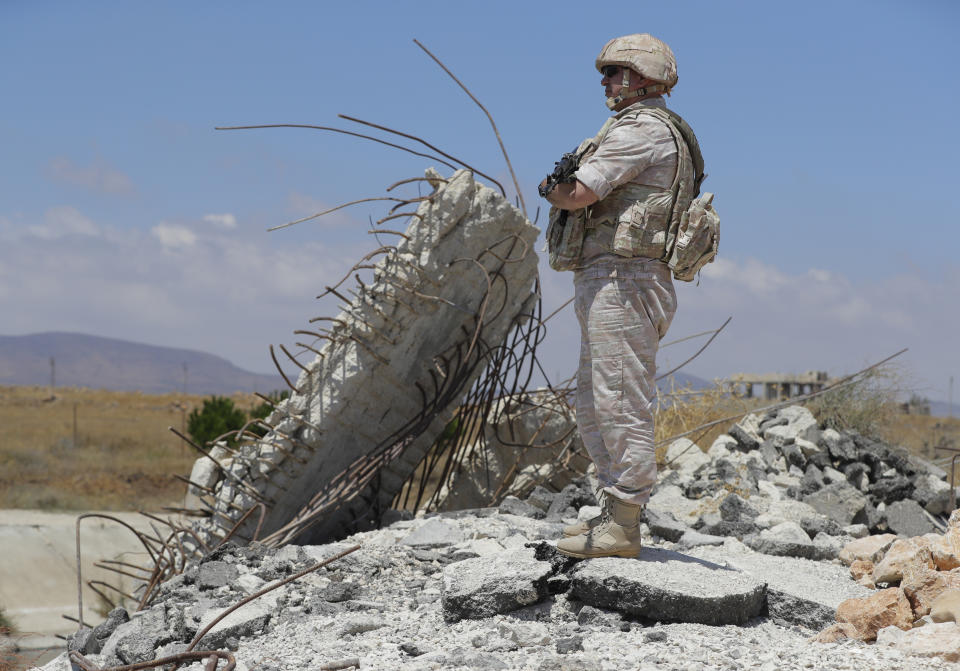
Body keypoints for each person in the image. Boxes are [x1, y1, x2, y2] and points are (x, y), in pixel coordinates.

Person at [540, 33, 702, 559]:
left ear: (642, 76)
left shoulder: (643, 130)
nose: (606, 82)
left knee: (619, 399)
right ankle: (614, 514)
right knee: (595, 396)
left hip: (625, 279)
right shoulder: (643, 128)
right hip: (613, 276)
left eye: (614, 72)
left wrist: (554, 190)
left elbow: (582, 191)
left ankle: (625, 521)